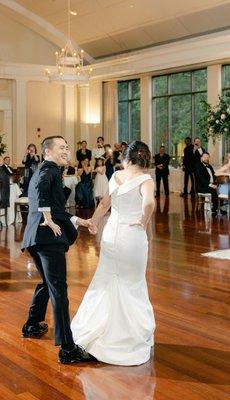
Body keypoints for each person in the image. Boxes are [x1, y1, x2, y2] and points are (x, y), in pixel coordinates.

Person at [72, 140, 156, 366]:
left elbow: (104, 205)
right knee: (133, 282)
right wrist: (143, 220)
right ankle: (128, 335)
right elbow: (149, 203)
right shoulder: (146, 180)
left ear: (126, 158)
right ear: (145, 159)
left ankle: (97, 329)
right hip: (132, 236)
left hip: (111, 235)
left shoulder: (116, 177)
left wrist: (93, 222)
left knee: (107, 278)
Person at [21, 135, 96, 364]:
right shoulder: (50, 169)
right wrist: (48, 218)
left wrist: (79, 221)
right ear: (47, 151)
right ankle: (67, 348)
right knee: (59, 292)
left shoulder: (43, 168)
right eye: (62, 147)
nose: (66, 150)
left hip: (34, 237)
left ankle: (32, 324)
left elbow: (54, 206)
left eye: (67, 147)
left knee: (47, 283)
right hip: (48, 237)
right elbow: (44, 192)